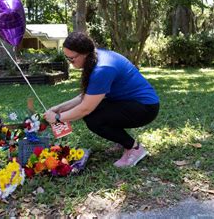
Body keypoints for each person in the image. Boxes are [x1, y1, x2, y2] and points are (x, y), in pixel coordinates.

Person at [43, 32, 160, 168]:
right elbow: (86, 97)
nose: (70, 62)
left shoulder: (102, 69)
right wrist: (60, 108)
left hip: (145, 108)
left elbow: (85, 108)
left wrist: (58, 117)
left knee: (93, 118)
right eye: (67, 58)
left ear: (84, 53)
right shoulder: (95, 57)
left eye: (72, 59)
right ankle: (123, 142)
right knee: (96, 113)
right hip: (130, 103)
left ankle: (134, 148)